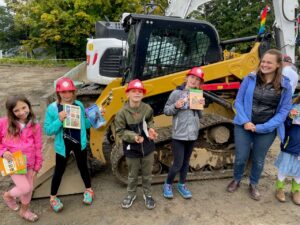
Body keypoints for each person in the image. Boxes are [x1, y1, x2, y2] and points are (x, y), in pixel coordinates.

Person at [227, 49, 292, 201]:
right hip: (244, 125)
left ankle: (253, 183)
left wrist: (263, 127)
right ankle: (236, 179)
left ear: (277, 65)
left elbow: (284, 111)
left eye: (269, 62)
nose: (264, 64)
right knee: (241, 157)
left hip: (267, 129)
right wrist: (245, 121)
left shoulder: (285, 86)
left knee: (258, 159)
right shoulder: (250, 78)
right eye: (263, 61)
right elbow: (238, 101)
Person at [44, 77, 93, 212]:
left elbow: (84, 123)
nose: (67, 95)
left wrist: (96, 117)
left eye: (69, 91)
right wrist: (59, 120)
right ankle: (53, 197)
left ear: (74, 92)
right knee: (59, 171)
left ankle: (89, 190)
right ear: (58, 93)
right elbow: (48, 130)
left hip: (79, 143)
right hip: (63, 145)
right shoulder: (52, 108)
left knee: (83, 167)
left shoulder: (79, 105)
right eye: (63, 92)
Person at [114, 79, 158, 210]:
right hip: (132, 148)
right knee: (132, 175)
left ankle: (148, 194)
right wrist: (134, 137)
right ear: (127, 94)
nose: (137, 94)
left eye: (140, 91)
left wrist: (151, 129)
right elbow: (120, 131)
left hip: (147, 148)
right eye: (134, 91)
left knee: (147, 174)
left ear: (143, 94)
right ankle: (131, 194)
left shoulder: (147, 108)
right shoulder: (122, 113)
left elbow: (150, 121)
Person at [162, 67, 205, 199]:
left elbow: (200, 116)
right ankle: (168, 184)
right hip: (179, 135)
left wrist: (201, 105)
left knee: (186, 162)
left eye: (197, 79)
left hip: (192, 135)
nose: (194, 80)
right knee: (178, 163)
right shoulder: (176, 93)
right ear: (187, 78)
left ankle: (182, 184)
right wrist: (176, 105)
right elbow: (166, 110)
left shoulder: (197, 94)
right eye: (192, 77)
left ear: (199, 83)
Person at [0, 94, 43, 222]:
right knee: (25, 188)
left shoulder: (35, 126)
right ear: (11, 112)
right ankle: (7, 196)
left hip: (30, 163)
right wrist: (3, 152)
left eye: (24, 107)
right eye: (16, 110)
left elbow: (38, 147)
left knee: (29, 189)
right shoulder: (3, 123)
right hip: (13, 162)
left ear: (29, 106)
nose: (21, 112)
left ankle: (24, 211)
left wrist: (37, 165)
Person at [274, 95, 300, 205]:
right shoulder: (294, 108)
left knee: (299, 170)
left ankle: (296, 191)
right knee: (284, 167)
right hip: (290, 145)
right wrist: (290, 117)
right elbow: (284, 126)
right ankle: (279, 188)